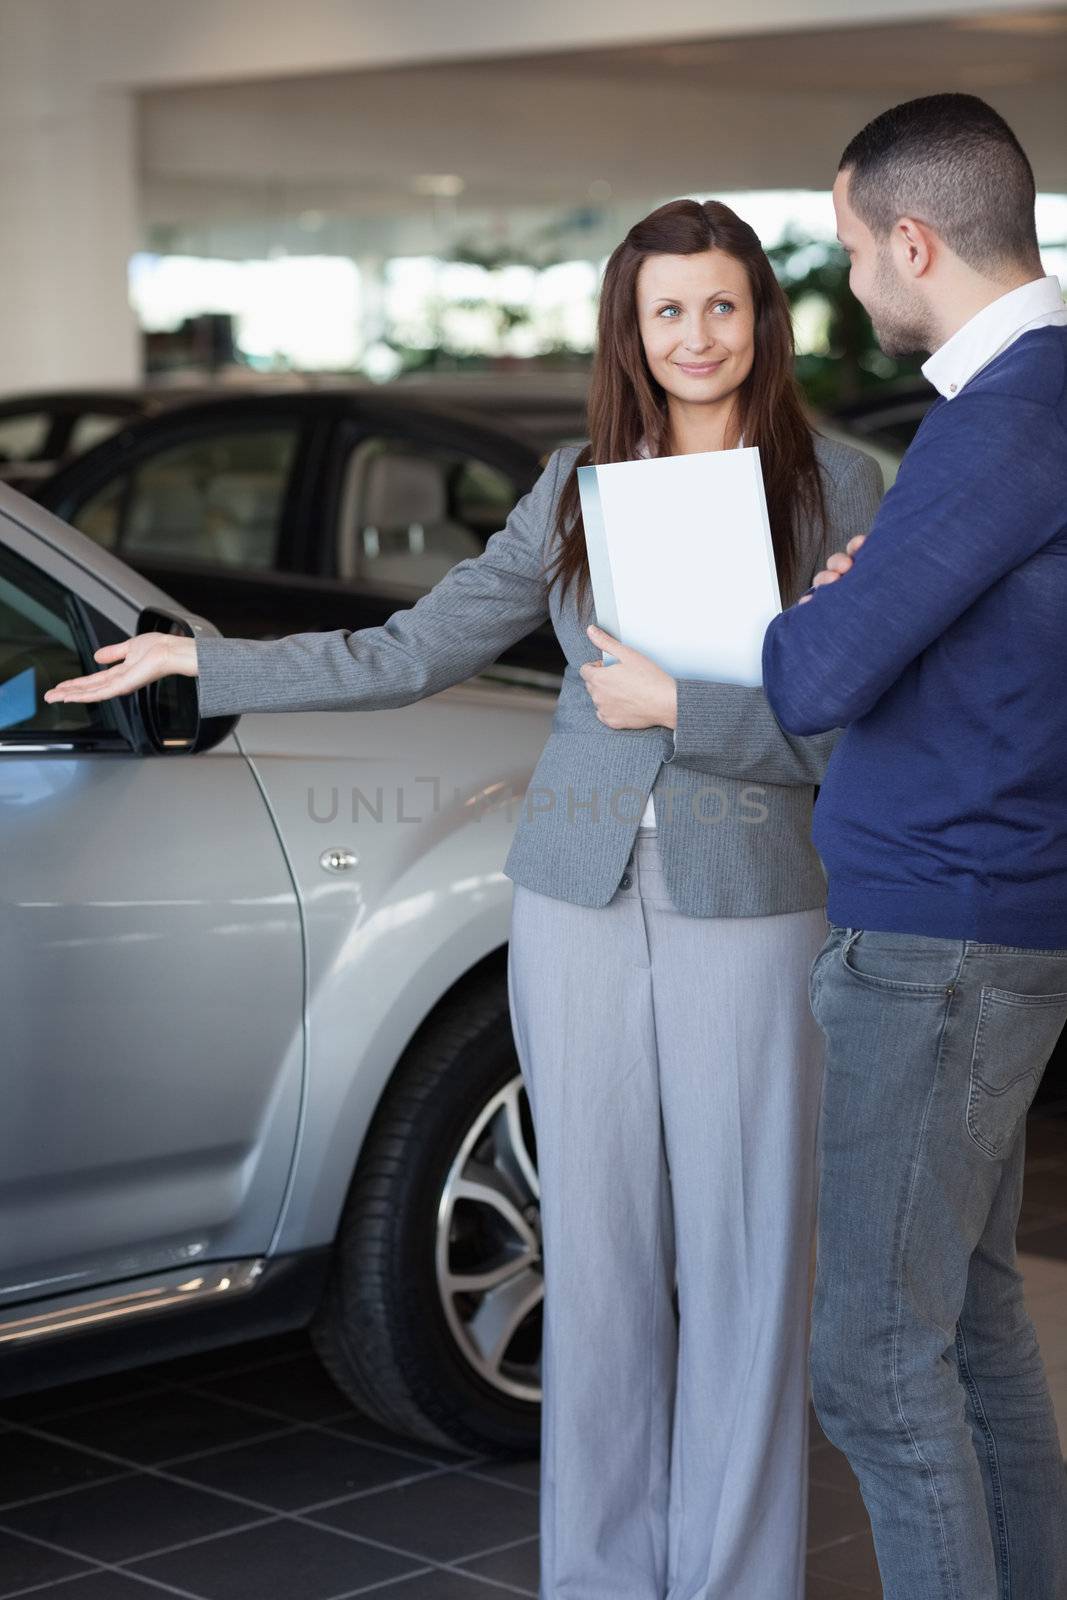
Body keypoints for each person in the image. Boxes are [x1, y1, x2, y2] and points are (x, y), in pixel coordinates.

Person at [45, 198, 882, 1599]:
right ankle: (603, 1580)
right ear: (629, 327)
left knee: (748, 1270)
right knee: (597, 1267)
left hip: (754, 901)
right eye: (666, 310)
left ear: (762, 319)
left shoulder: (840, 490)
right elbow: (413, 649)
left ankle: (740, 1582)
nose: (695, 337)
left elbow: (863, 722)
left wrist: (691, 708)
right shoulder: (572, 484)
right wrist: (199, 663)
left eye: (722, 307)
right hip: (574, 900)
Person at [762, 94, 1067, 1600]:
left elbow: (812, 677)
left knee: (877, 1372)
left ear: (916, 239)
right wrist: (878, 593)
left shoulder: (1000, 419)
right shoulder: (1041, 409)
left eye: (853, 252)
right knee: (975, 1331)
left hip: (939, 947)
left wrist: (825, 609)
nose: (852, 285)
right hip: (993, 928)